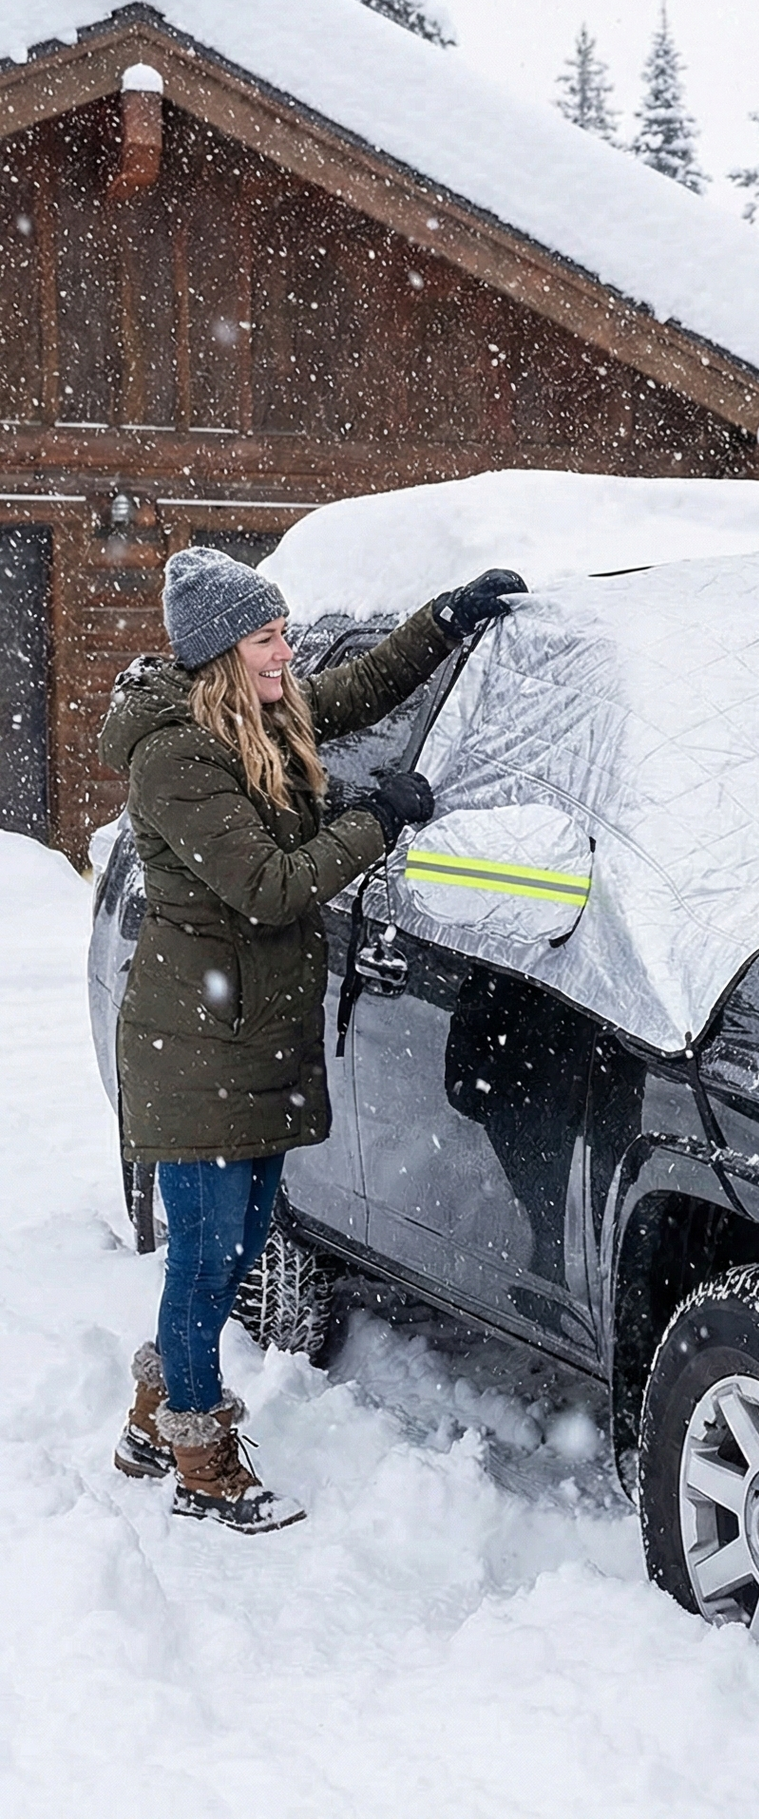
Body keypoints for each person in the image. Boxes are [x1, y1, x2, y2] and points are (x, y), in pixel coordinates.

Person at [102, 547, 526, 1532]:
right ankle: (201, 1465)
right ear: (221, 652)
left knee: (237, 1246)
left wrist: (445, 619)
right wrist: (377, 818)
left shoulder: (255, 715)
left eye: (285, 633)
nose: (286, 652)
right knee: (206, 1259)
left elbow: (359, 689)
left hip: (249, 1036)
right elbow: (271, 886)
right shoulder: (177, 757)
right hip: (196, 1046)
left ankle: (150, 1423)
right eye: (267, 637)